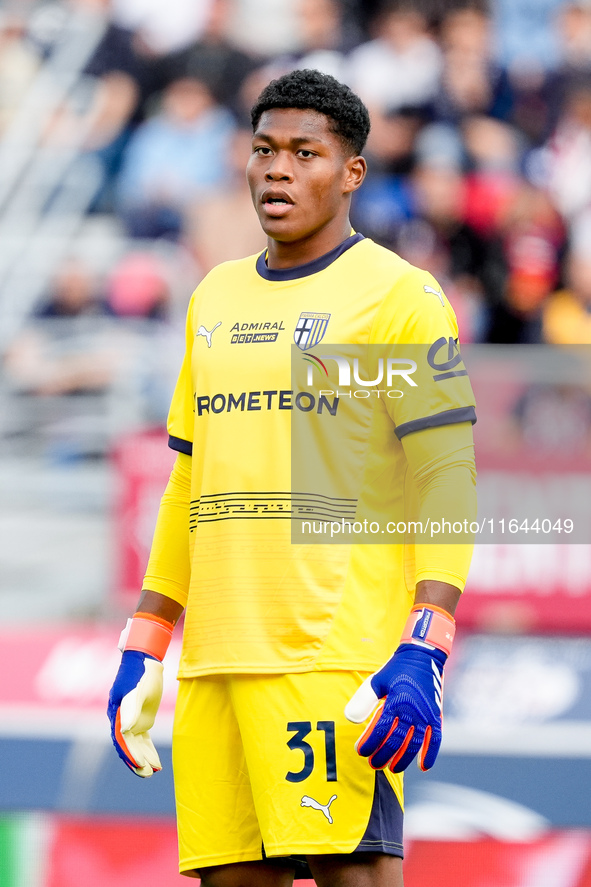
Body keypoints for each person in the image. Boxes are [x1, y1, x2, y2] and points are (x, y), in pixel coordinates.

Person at [107, 69, 477, 886]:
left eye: (304, 153)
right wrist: (147, 639)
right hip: (213, 667)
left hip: (331, 662)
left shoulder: (396, 297)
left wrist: (428, 639)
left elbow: (446, 474)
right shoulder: (215, 296)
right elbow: (185, 482)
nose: (276, 169)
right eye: (264, 150)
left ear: (351, 172)